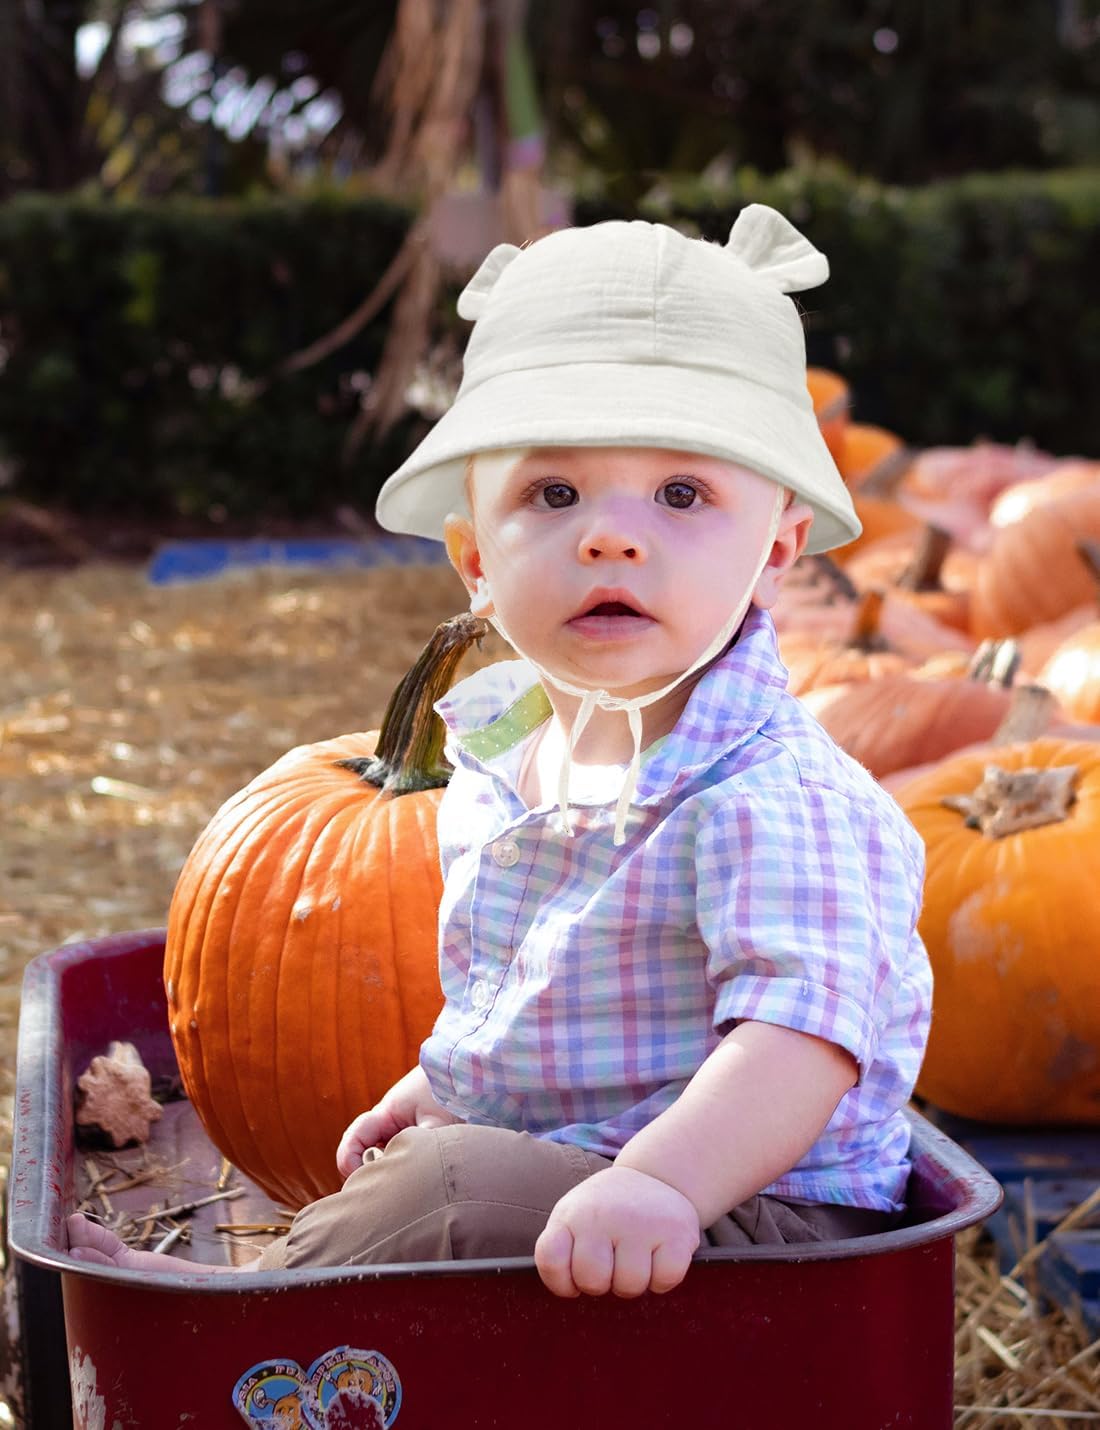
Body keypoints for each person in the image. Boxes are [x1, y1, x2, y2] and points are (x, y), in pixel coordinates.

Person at [68, 205, 931, 1299]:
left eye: (681, 493)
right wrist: (445, 1088)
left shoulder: (771, 794)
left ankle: (221, 1329)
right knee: (443, 1169)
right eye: (553, 492)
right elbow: (541, 1001)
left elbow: (800, 1043)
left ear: (775, 550)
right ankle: (276, 1309)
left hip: (760, 1213)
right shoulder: (503, 754)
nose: (610, 535)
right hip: (600, 1172)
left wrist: (661, 1181)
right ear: (475, 558)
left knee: (451, 1196)